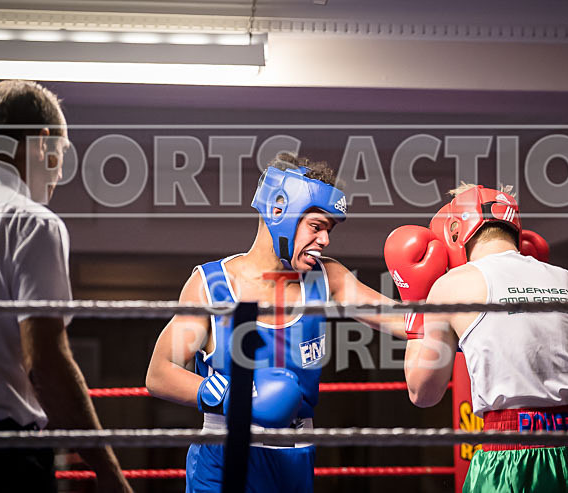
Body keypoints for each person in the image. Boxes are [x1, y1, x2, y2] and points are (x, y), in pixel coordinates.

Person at [0, 80, 132, 493]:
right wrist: (108, 472)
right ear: (44, 144)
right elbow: (45, 363)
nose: (61, 172)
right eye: (63, 154)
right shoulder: (33, 223)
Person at [146, 153, 404, 493]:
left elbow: (406, 322)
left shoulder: (327, 279)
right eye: (316, 226)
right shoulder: (213, 285)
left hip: (294, 460)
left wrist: (460, 293)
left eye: (329, 229)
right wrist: (233, 397)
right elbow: (159, 373)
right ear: (279, 212)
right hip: (222, 460)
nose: (325, 240)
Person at [384, 183, 568, 492]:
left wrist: (417, 304)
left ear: (455, 230)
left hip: (513, 454)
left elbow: (423, 393)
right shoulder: (566, 278)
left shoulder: (452, 285)